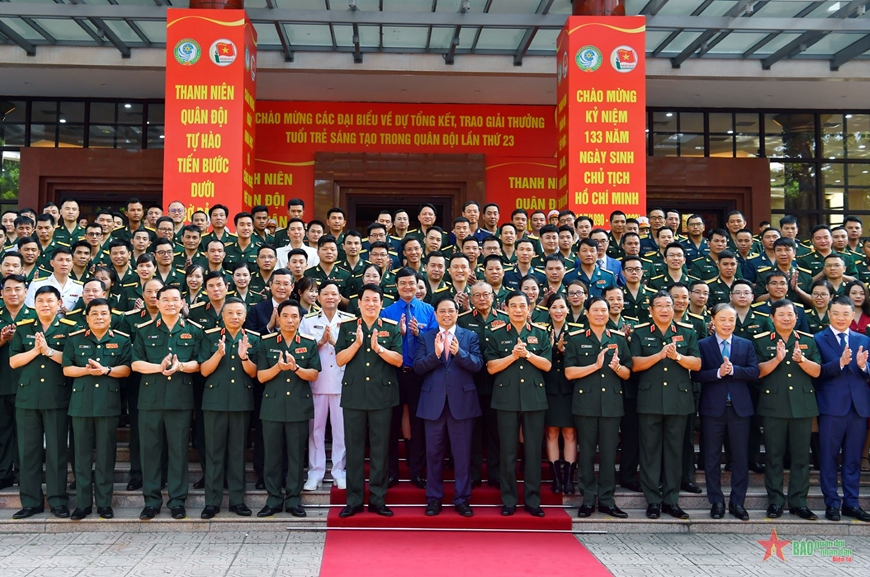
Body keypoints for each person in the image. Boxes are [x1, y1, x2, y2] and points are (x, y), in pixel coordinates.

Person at [131, 285, 203, 520]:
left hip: (180, 401)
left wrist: (179, 366)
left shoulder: (194, 331)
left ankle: (177, 501)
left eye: (175, 300)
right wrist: (158, 368)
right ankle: (151, 501)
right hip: (150, 401)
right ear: (157, 302)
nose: (170, 303)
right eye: (165, 300)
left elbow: (198, 364)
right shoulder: (143, 331)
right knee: (150, 452)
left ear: (183, 303)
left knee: (178, 452)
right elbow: (135, 364)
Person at [629, 290, 701, 520]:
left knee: (674, 452)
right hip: (649, 400)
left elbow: (697, 363)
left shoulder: (687, 332)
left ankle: (671, 500)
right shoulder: (641, 333)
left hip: (678, 401)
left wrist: (678, 357)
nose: (664, 309)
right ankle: (653, 501)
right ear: (650, 310)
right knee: (649, 452)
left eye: (668, 305)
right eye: (659, 305)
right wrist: (659, 356)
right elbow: (635, 365)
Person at [9, 286, 77, 519]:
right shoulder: (24, 328)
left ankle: (58, 500)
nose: (45, 305)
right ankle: (31, 501)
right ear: (34, 304)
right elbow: (14, 361)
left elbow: (71, 361)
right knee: (28, 452)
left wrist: (48, 351)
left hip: (56, 397)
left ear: (59, 303)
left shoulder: (69, 329)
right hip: (28, 398)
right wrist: (36, 351)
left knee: (57, 451)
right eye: (40, 301)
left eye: (50, 300)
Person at [336, 284, 403, 518]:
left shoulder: (391, 328)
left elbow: (398, 360)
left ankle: (377, 499)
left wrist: (379, 349)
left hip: (382, 397)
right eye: (367, 299)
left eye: (376, 300)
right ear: (360, 303)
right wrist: (356, 344)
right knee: (354, 451)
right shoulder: (346, 328)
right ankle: (353, 501)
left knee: (380, 450)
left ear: (381, 304)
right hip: (354, 397)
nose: (371, 304)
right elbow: (339, 360)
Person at [62, 298, 133, 520]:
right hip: (81, 406)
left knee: (105, 457)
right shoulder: (74, 340)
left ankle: (104, 504)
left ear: (110, 317)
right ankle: (83, 505)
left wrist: (106, 370)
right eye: (95, 314)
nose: (99, 317)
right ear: (87, 317)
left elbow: (127, 370)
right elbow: (66, 369)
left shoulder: (121, 340)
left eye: (104, 313)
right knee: (81, 458)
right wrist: (86, 371)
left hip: (107, 406)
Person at [484, 290, 552, 517]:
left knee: (533, 451)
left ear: (529, 308)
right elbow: (492, 367)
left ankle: (533, 501)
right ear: (506, 308)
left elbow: (547, 366)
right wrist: (513, 356)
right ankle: (509, 499)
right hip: (506, 399)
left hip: (534, 398)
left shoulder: (541, 334)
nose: (519, 310)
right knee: (508, 452)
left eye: (523, 306)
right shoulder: (496, 334)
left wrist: (528, 355)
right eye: (514, 306)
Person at [413, 296, 483, 517]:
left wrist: (458, 352)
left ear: (457, 313)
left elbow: (477, 364)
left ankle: (462, 498)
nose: (446, 315)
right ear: (435, 314)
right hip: (433, 404)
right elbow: (418, 367)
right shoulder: (426, 338)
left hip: (461, 404)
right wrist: (435, 355)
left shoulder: (469, 336)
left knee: (462, 455)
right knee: (433, 454)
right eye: (442, 311)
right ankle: (434, 498)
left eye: (451, 311)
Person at [564, 297, 632, 519]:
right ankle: (587, 499)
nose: (601, 314)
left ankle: (607, 500)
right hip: (586, 405)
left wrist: (618, 367)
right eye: (596, 310)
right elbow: (569, 373)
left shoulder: (619, 339)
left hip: (612, 405)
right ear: (587, 313)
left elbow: (628, 373)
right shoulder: (575, 338)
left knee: (609, 454)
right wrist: (594, 366)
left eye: (604, 310)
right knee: (586, 455)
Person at [692, 303, 759, 521]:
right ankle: (717, 501)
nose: (727, 323)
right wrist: (718, 373)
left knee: (740, 457)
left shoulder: (745, 344)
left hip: (740, 409)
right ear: (713, 321)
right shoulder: (703, 344)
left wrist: (735, 370)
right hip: (713, 409)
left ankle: (738, 502)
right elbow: (696, 375)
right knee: (711, 457)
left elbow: (754, 371)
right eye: (722, 319)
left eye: (731, 319)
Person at [754, 299, 820, 521]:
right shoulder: (762, 341)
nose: (786, 318)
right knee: (774, 457)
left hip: (802, 407)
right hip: (774, 406)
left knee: (801, 458)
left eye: (790, 314)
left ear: (796, 317)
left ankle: (799, 502)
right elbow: (757, 372)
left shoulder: (808, 341)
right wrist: (777, 359)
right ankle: (775, 501)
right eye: (781, 314)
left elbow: (817, 371)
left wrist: (802, 360)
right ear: (772, 318)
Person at [255, 299, 321, 518]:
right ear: (278, 318)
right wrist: (278, 367)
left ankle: (293, 499)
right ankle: (273, 499)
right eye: (286, 316)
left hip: (298, 407)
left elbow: (313, 374)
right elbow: (261, 376)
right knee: (272, 456)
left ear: (300, 319)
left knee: (295, 456)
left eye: (295, 316)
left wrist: (295, 367)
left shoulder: (309, 343)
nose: (290, 320)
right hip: (272, 406)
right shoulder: (266, 342)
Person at [198, 298, 259, 519]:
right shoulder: (210, 336)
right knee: (214, 453)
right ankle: (212, 502)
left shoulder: (253, 339)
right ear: (222, 315)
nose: (235, 317)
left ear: (245, 316)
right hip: (214, 402)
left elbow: (254, 373)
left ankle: (237, 500)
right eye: (230, 313)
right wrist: (218, 354)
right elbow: (204, 370)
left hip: (241, 402)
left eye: (239, 313)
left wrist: (244, 357)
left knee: (237, 453)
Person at [813, 295, 870, 522]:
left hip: (858, 407)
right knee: (828, 458)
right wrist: (839, 364)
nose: (841, 318)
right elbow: (817, 371)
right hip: (831, 406)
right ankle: (832, 503)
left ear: (852, 315)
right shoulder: (818, 339)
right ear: (829, 314)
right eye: (836, 313)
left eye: (846, 314)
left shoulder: (863, 339)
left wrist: (864, 366)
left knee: (853, 458)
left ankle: (851, 503)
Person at [381, 267, 436, 488]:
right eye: (402, 283)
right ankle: (391, 472)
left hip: (419, 375)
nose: (407, 287)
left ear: (417, 285)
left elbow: (435, 343)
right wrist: (399, 334)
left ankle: (417, 472)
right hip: (394, 374)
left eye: (411, 283)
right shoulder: (387, 312)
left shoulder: (428, 310)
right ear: (396, 286)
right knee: (391, 425)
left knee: (418, 424)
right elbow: (382, 345)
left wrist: (418, 334)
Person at [299, 281, 355, 491]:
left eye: (334, 294)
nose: (330, 297)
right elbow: (303, 349)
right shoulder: (308, 320)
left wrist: (335, 342)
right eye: (326, 294)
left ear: (340, 298)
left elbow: (354, 349)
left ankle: (339, 471)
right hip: (318, 382)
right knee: (316, 431)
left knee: (342, 432)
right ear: (319, 298)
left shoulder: (350, 320)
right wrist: (321, 341)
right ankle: (315, 472)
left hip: (343, 382)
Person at [542, 293, 577, 494]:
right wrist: (554, 348)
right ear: (549, 310)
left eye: (562, 307)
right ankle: (556, 478)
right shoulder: (541, 331)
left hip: (569, 388)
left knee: (570, 432)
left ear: (567, 310)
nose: (558, 311)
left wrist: (565, 351)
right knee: (551, 432)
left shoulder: (576, 332)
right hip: (548, 387)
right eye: (554, 307)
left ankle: (569, 478)